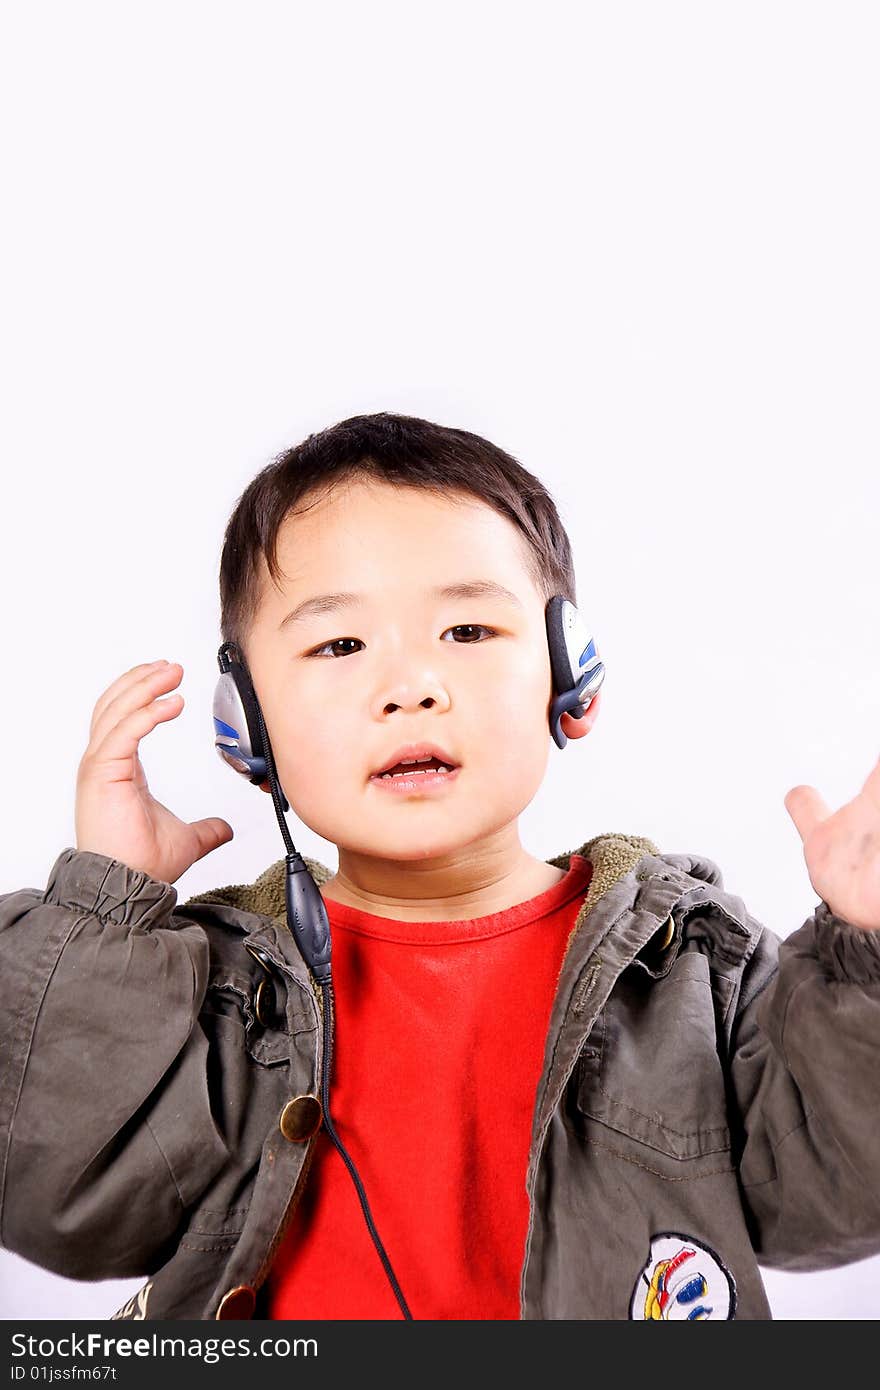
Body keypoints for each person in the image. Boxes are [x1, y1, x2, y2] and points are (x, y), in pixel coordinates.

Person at [1, 412, 879, 1322]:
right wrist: (101, 916)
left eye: (467, 630)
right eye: (341, 645)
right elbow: (57, 1205)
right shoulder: (214, 990)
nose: (412, 684)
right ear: (246, 723)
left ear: (571, 675)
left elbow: (834, 1195)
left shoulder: (692, 967)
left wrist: (870, 965)